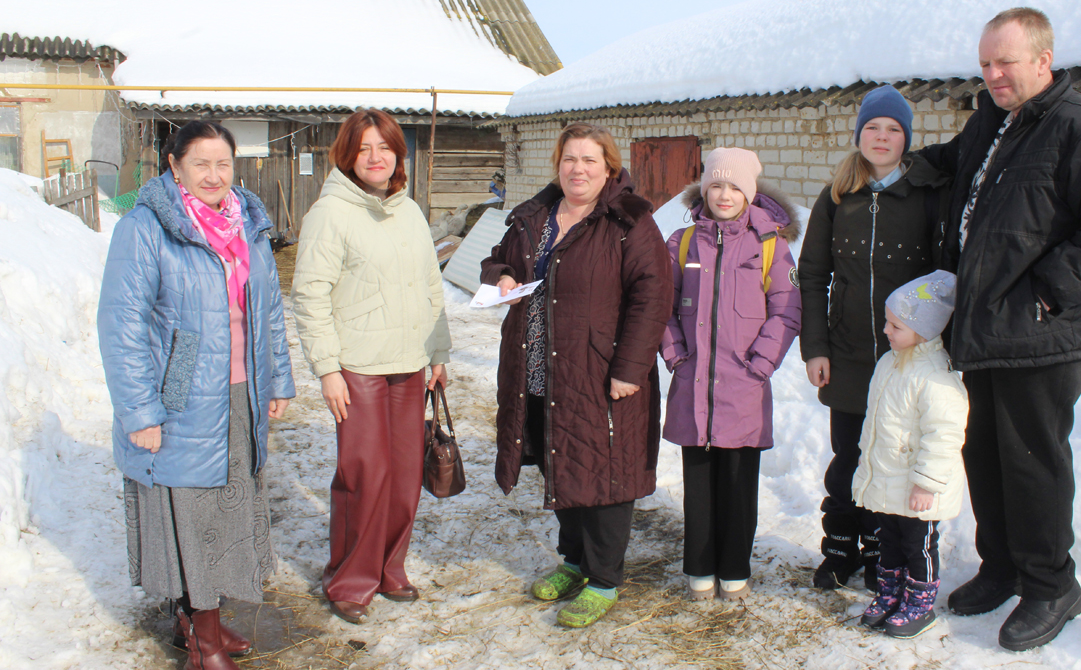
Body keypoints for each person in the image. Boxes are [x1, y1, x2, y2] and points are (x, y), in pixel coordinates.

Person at [916, 8, 1081, 651]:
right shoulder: (991, 123)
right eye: (985, 64)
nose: (993, 75)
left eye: (1006, 62)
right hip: (981, 329)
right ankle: (1002, 567)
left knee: (1033, 464)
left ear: (1044, 60)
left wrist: (1047, 294)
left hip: (1039, 334)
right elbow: (950, 166)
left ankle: (1053, 586)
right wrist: (885, 162)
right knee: (985, 456)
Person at [98, 121, 295, 670]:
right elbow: (122, 325)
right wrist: (141, 412)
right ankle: (204, 642)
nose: (214, 175)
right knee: (193, 518)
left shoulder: (248, 222)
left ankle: (197, 620)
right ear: (174, 165)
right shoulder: (146, 227)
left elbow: (269, 310)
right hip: (179, 399)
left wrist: (278, 378)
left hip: (240, 393)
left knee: (228, 515)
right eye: (200, 163)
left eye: (223, 163)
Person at [480, 122, 672, 628]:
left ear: (609, 167)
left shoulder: (629, 221)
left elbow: (653, 297)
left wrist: (630, 368)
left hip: (600, 370)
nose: (578, 169)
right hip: (538, 368)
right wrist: (503, 276)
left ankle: (604, 578)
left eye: (589, 160)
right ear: (558, 165)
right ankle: (574, 561)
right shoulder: (535, 217)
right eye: (569, 159)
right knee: (558, 460)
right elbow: (496, 260)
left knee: (605, 472)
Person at [291, 108, 451, 625]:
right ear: (348, 156)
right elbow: (310, 294)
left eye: (384, 147)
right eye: (364, 148)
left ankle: (389, 567)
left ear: (398, 155)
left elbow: (430, 285)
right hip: (358, 366)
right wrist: (327, 369)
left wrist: (438, 352)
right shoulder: (330, 213)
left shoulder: (410, 211)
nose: (376, 157)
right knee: (365, 473)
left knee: (405, 473)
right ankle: (349, 579)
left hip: (409, 361)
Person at [797, 85, 951, 591]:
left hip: (906, 360)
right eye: (872, 128)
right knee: (848, 458)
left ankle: (884, 552)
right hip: (848, 354)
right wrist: (816, 348)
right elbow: (812, 275)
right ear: (858, 135)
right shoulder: (837, 197)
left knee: (893, 458)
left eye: (892, 129)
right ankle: (841, 548)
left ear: (906, 138)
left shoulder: (928, 195)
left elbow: (942, 280)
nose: (881, 137)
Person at [660, 148, 801, 601]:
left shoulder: (769, 246)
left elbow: (787, 311)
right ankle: (700, 567)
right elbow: (661, 305)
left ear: (750, 194)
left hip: (744, 386)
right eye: (716, 185)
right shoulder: (682, 243)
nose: (724, 194)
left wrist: (761, 364)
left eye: (735, 187)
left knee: (739, 483)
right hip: (694, 383)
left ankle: (736, 567)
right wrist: (676, 356)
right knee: (699, 483)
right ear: (704, 189)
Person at [853, 271, 967, 639]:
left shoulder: (936, 376)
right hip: (888, 479)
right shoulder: (889, 362)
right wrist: (868, 465)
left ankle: (920, 602)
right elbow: (875, 423)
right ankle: (891, 593)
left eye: (896, 325)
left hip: (918, 489)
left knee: (919, 546)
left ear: (923, 330)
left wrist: (926, 484)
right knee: (889, 540)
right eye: (887, 322)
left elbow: (944, 435)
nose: (886, 330)